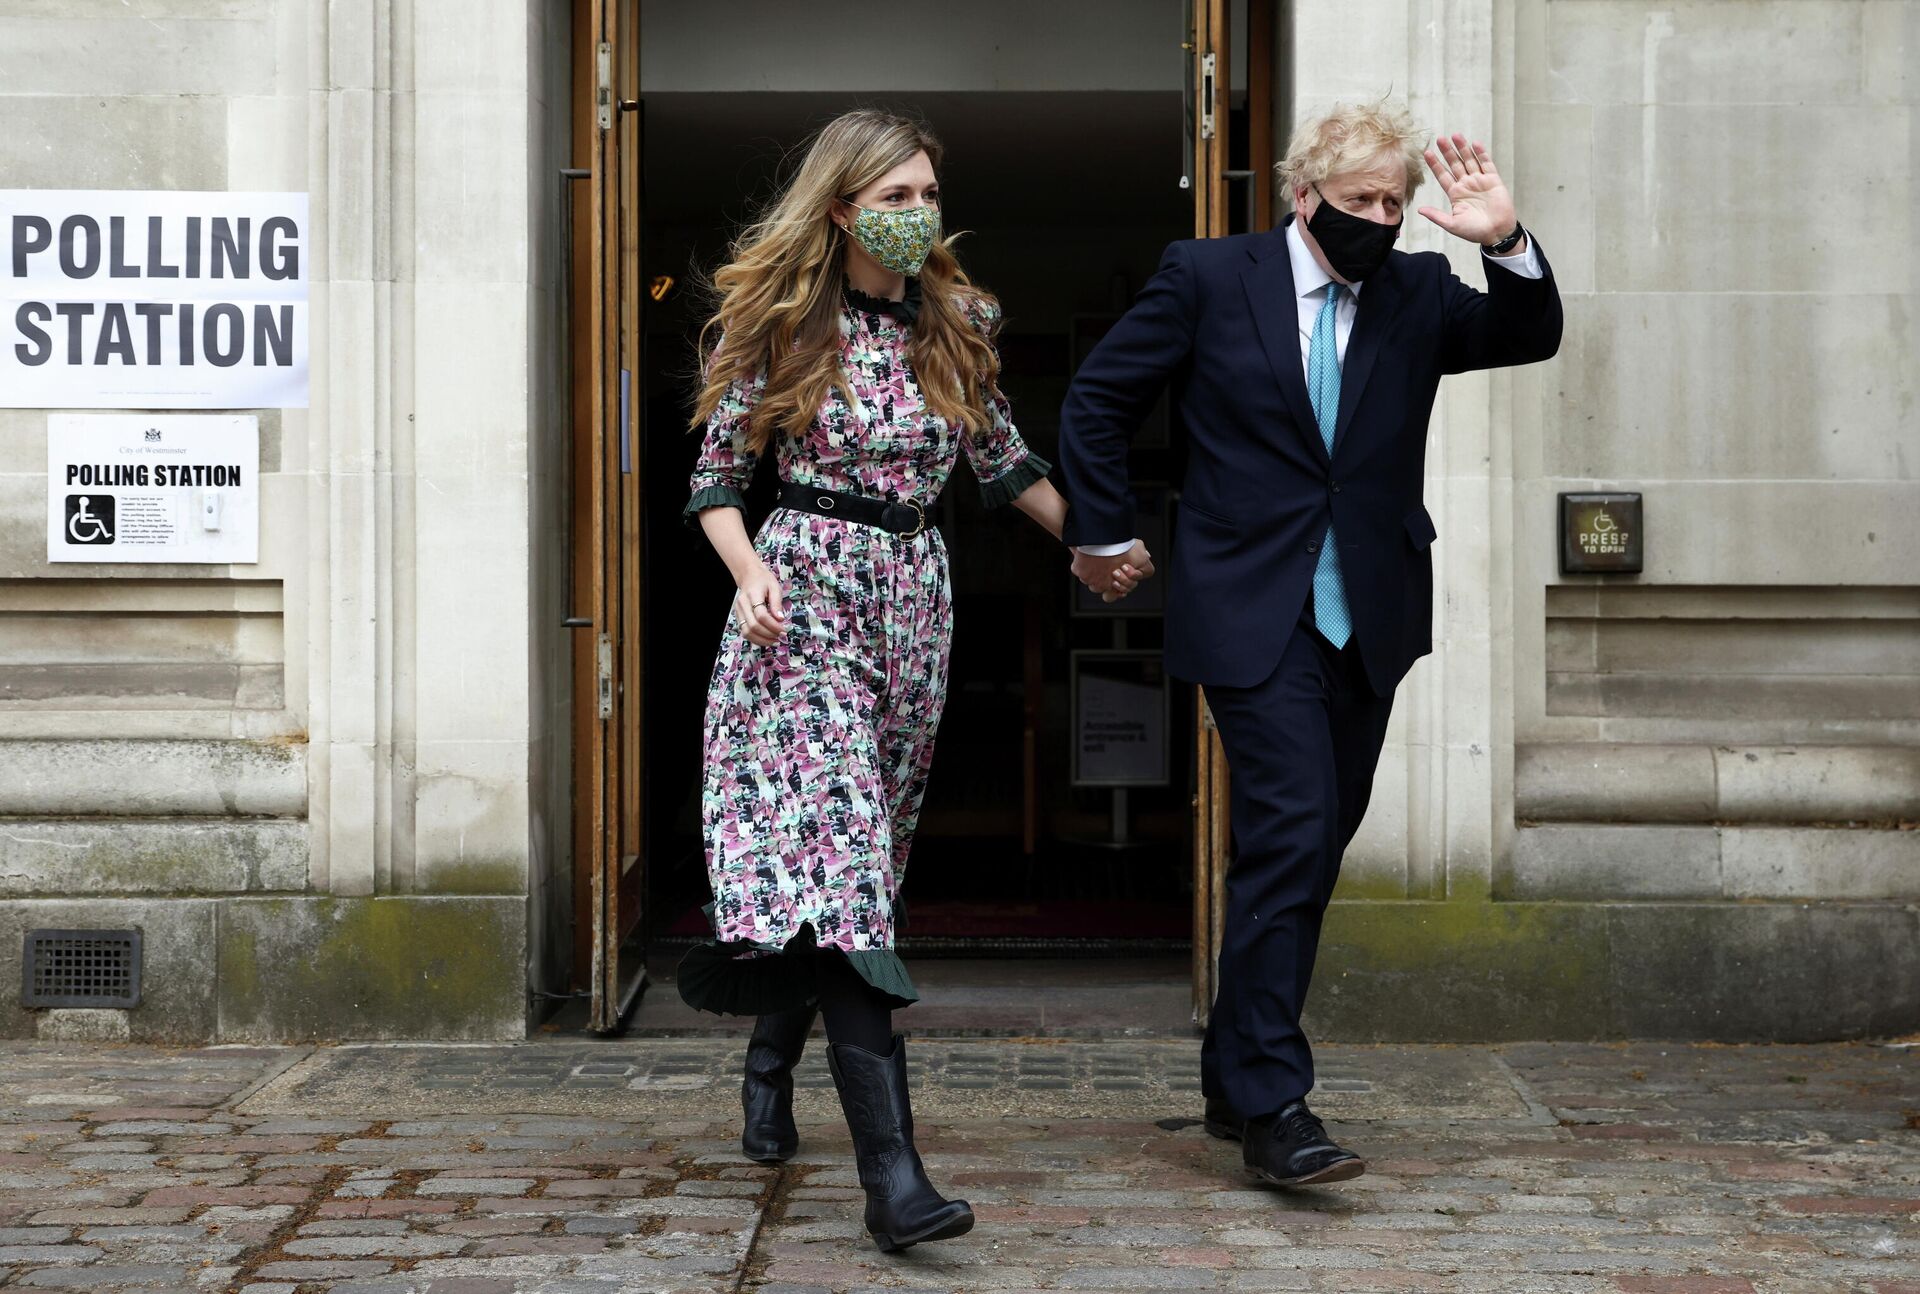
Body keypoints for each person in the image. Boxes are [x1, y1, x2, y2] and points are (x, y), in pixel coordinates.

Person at [1059, 101, 1560, 1187]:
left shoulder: (1418, 290)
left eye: (1392, 203)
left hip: (1369, 612)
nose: (1379, 220)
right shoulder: (1208, 276)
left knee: (1312, 844)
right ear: (1302, 196)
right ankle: (1277, 1107)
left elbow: (1529, 334)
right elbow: (1098, 399)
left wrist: (1506, 241)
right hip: (1253, 609)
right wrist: (1102, 531)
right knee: (1291, 831)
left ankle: (1230, 1067)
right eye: (1358, 202)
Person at [679, 108, 1151, 1252]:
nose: (918, 216)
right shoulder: (778, 324)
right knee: (841, 864)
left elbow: (999, 460)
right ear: (841, 207)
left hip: (912, 599)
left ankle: (768, 1056)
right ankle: (894, 1183)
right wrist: (747, 574)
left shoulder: (958, 322)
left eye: (928, 196)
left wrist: (1088, 542)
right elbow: (714, 480)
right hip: (799, 601)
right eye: (894, 199)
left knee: (865, 864)